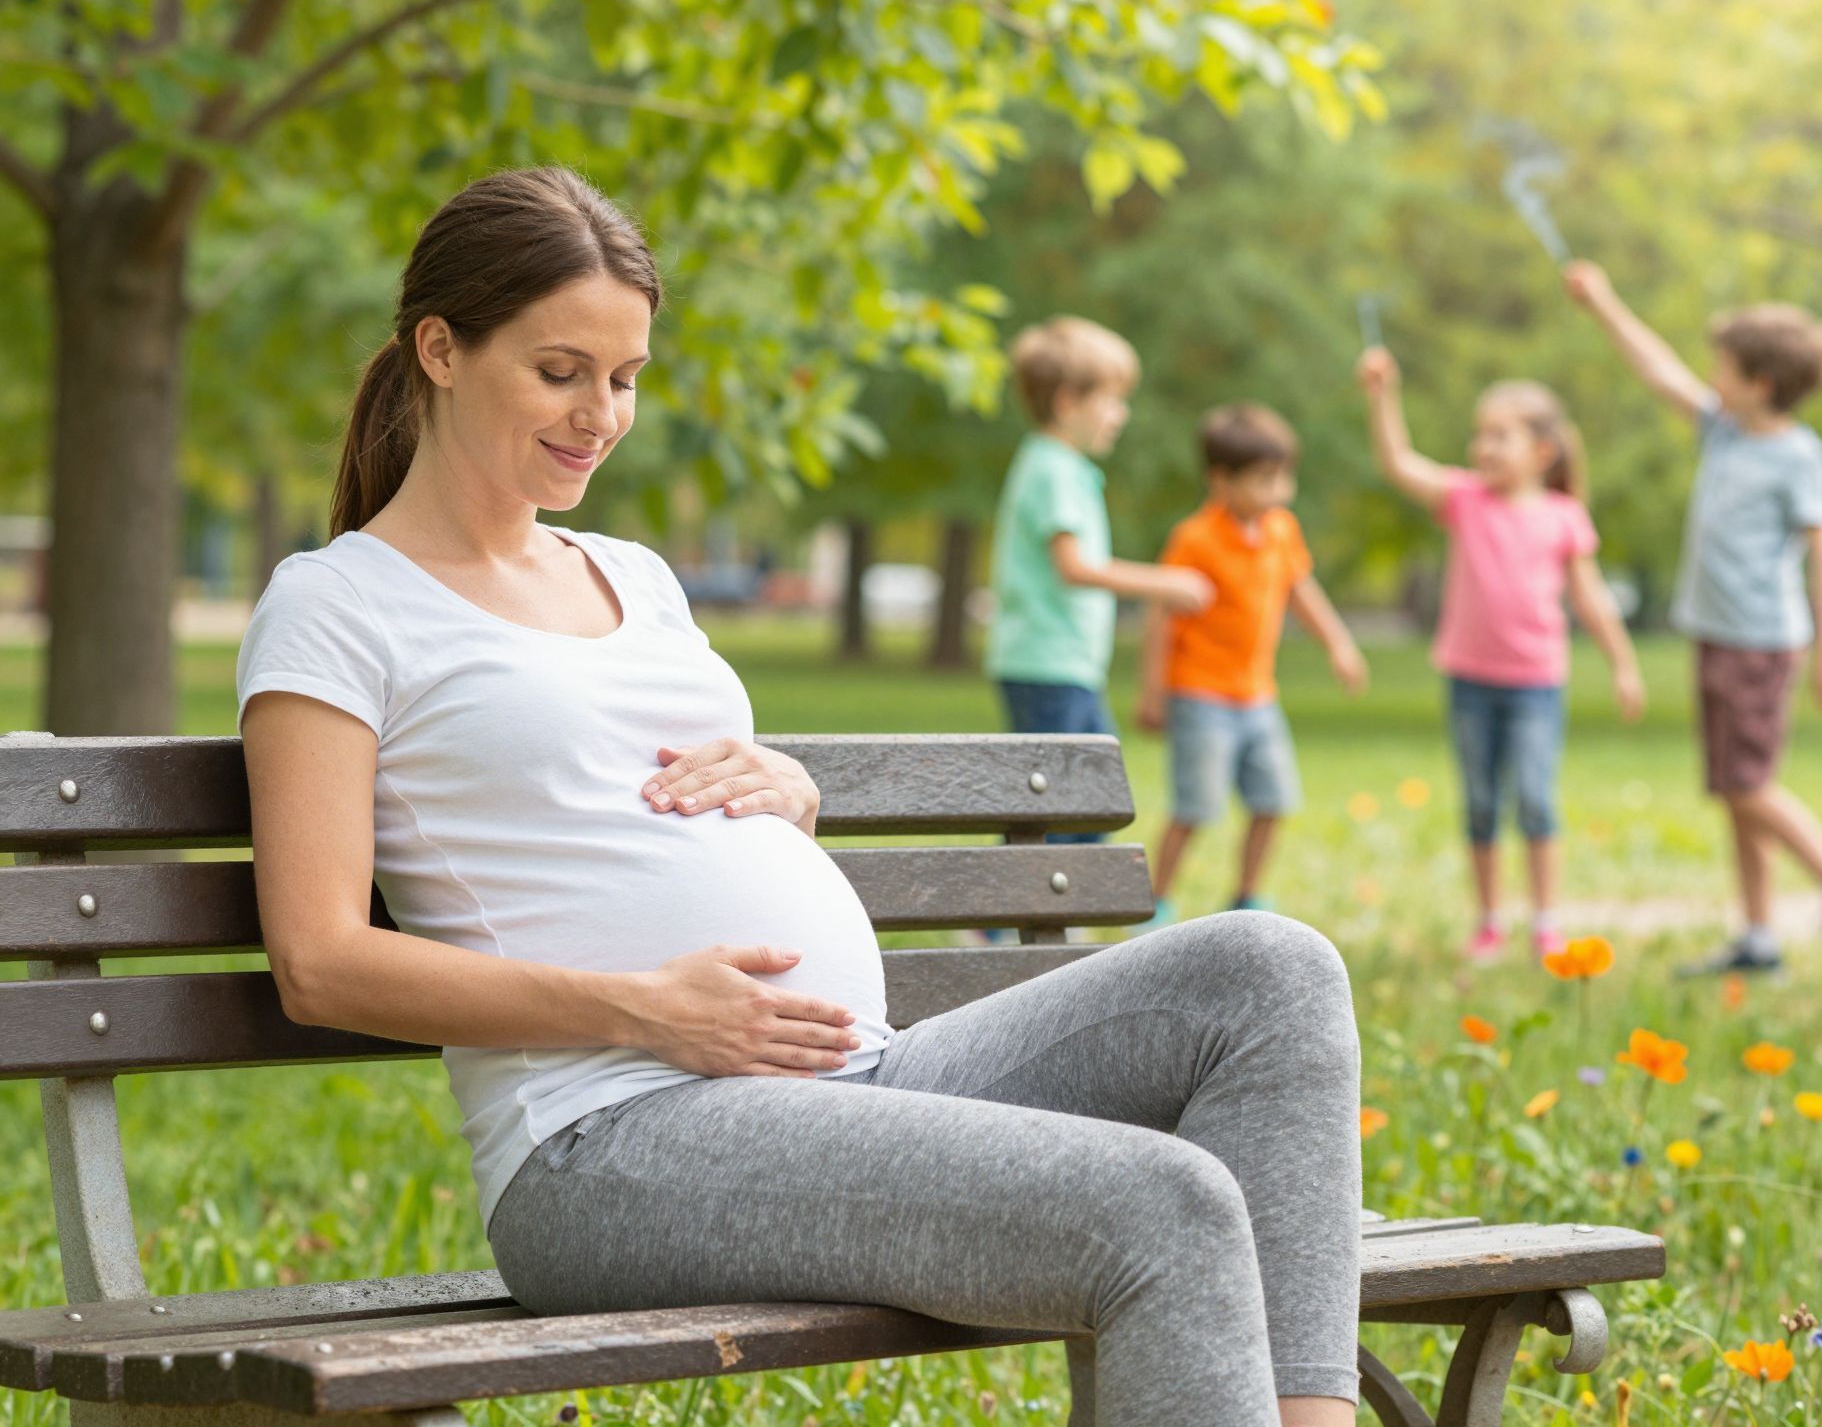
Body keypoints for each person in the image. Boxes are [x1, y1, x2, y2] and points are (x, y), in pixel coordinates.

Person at [234, 167, 1364, 1427]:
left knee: (1272, 969)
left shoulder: (636, 578)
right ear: (440, 350)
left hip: (853, 1085)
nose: (598, 415)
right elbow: (319, 960)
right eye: (559, 371)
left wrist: (793, 791)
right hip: (608, 1143)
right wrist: (641, 1012)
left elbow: (670, 802)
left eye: (624, 377)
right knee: (1164, 1204)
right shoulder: (337, 606)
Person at [1563, 260, 1822, 979]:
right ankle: (1758, 938)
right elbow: (1658, 369)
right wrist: (1605, 302)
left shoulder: (1801, 459)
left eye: (1724, 368)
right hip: (1717, 635)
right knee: (1734, 791)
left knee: (1748, 784)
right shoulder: (1723, 430)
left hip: (1762, 641)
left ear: (1761, 383)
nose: (1709, 378)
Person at [1358, 346, 1645, 963]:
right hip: (1470, 680)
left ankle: (1545, 921)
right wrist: (1383, 396)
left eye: (1500, 436)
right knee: (1482, 802)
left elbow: (1591, 598)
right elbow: (1399, 463)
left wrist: (1622, 664)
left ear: (1543, 451)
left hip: (1536, 684)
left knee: (1536, 799)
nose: (1483, 448)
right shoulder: (1465, 499)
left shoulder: (1564, 517)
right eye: (1479, 435)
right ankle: (1490, 921)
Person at [1137, 404, 1366, 921]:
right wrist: (1153, 691)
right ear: (1221, 480)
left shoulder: (1282, 530)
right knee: (1194, 808)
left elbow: (1301, 589)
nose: (1279, 490)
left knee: (1273, 800)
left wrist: (1338, 644)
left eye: (1285, 476)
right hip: (1201, 694)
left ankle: (1247, 895)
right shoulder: (1195, 539)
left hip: (1258, 695)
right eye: (1265, 479)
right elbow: (1161, 620)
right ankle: (1156, 901)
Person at [984, 318, 1212, 835]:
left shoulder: (1061, 467)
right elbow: (1075, 567)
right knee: (1056, 804)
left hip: (1067, 665)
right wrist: (1167, 583)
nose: (1121, 415)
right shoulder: (1052, 468)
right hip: (1047, 664)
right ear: (1068, 402)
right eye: (1111, 401)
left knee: (1091, 802)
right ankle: (1001, 917)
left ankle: (1048, 912)